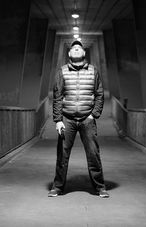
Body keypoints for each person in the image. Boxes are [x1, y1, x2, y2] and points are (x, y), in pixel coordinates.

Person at [48, 40, 109, 198]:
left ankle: (100, 187)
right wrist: (58, 120)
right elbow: (58, 96)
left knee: (93, 154)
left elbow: (99, 94)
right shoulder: (62, 71)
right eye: (73, 48)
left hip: (87, 119)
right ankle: (57, 187)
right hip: (67, 119)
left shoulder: (93, 71)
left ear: (84, 53)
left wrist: (93, 115)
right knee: (62, 155)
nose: (76, 49)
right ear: (69, 54)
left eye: (79, 48)